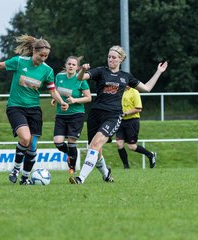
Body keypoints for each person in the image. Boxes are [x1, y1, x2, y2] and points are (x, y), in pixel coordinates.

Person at [0, 34, 68, 185]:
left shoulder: (47, 70)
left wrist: (61, 101)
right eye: (41, 55)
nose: (43, 58)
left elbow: (52, 89)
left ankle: (24, 178)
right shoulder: (19, 62)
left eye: (46, 56)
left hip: (34, 109)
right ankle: (16, 169)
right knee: (25, 138)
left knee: (33, 147)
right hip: (15, 107)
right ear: (34, 51)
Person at [69, 45, 168, 184]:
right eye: (109, 57)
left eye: (114, 57)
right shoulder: (100, 71)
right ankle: (106, 174)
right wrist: (83, 70)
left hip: (113, 116)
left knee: (95, 144)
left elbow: (147, 88)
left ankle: (80, 178)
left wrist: (159, 71)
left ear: (121, 59)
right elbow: (80, 78)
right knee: (95, 149)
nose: (111, 59)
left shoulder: (126, 77)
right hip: (95, 114)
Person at [51, 56, 91, 174]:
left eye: (74, 65)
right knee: (58, 142)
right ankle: (71, 154)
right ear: (65, 65)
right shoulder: (59, 76)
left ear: (77, 68)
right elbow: (56, 91)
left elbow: (88, 98)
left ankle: (72, 168)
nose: (71, 66)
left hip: (76, 114)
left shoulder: (81, 79)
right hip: (61, 114)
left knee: (72, 142)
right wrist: (55, 99)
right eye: (69, 64)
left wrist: (75, 100)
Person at [116, 86, 156, 169]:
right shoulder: (118, 91)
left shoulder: (134, 92)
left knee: (132, 146)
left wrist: (126, 113)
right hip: (120, 121)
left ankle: (150, 155)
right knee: (119, 144)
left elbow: (138, 108)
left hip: (132, 121)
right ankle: (126, 167)